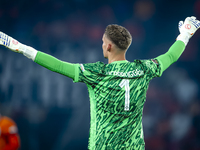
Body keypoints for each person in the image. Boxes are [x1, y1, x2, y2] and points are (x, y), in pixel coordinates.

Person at [0, 16, 199, 150]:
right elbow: (171, 56)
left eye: (103, 41)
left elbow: (59, 66)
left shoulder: (97, 73)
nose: (101, 44)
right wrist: (185, 34)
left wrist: (22, 48)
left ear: (110, 45)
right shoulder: (145, 68)